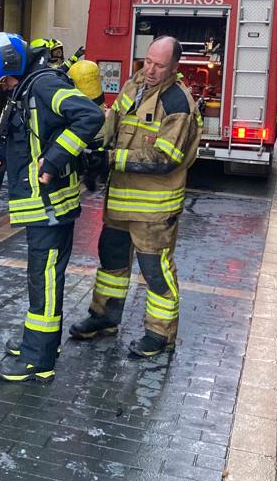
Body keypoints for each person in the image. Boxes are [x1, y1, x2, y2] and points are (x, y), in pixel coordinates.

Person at [0, 32, 104, 382]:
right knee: (43, 278)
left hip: (51, 206)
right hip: (43, 206)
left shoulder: (43, 85)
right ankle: (40, 343)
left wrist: (54, 158)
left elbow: (90, 116)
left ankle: (38, 360)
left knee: (43, 280)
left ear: (14, 67)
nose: (4, 87)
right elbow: (15, 130)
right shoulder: (25, 86)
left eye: (4, 80)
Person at [70, 36, 202, 357]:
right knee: (111, 261)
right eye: (148, 61)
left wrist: (109, 159)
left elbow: (165, 158)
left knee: (155, 271)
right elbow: (112, 125)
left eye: (159, 66)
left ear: (175, 67)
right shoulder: (135, 85)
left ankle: (159, 334)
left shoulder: (177, 103)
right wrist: (91, 150)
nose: (151, 70)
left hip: (154, 209)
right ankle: (104, 317)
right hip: (120, 202)